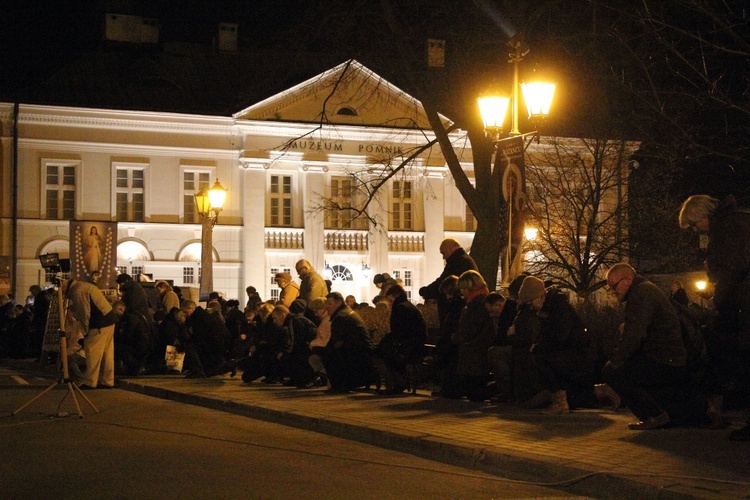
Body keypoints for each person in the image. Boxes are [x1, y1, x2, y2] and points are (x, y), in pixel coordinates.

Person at [603, 263, 710, 430]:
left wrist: (616, 361)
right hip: (670, 357)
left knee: (612, 371)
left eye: (613, 285)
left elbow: (634, 335)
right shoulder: (647, 289)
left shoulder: (640, 294)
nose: (612, 291)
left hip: (664, 359)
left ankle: (653, 415)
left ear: (627, 280)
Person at [679, 194, 750, 440]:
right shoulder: (738, 221)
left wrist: (717, 301)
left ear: (704, 216)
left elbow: (732, 269)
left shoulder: (728, 229)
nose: (695, 230)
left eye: (694, 224)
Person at [514, 276, 597, 414]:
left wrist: (539, 347)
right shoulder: (550, 306)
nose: (531, 306)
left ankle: (560, 402)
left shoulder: (558, 308)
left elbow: (559, 336)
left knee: (542, 360)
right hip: (573, 349)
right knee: (541, 359)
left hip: (577, 351)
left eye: (531, 302)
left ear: (539, 297)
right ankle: (600, 391)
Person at [446, 270, 494, 402]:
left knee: (473, 391)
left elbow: (468, 330)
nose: (462, 292)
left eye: (463, 289)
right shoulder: (483, 300)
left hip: (474, 349)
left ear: (470, 288)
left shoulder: (475, 305)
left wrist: (455, 337)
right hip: (480, 345)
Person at [61, 278, 117, 389]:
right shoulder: (83, 286)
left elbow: (84, 313)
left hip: (98, 324)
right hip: (108, 320)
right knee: (107, 353)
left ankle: (90, 382)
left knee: (92, 353)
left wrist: (85, 332)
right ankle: (108, 381)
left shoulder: (78, 291)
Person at [373, 285, 428, 394]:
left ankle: (394, 384)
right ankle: (398, 382)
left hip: (407, 347)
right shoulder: (408, 306)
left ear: (393, 297)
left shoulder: (399, 308)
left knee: (378, 356)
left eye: (389, 300)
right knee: (384, 353)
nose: (389, 303)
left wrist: (385, 343)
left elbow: (398, 332)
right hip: (414, 345)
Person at [419, 238, 478, 333]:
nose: (443, 257)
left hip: (455, 309)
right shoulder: (462, 259)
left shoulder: (457, 262)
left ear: (449, 249)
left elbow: (442, 282)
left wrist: (426, 291)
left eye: (443, 253)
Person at [322, 292, 375, 393]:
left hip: (356, 351)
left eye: (329, 304)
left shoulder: (341, 316)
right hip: (358, 348)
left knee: (328, 355)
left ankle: (339, 386)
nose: (327, 307)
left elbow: (336, 340)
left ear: (338, 303)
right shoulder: (345, 312)